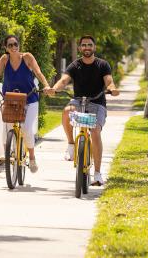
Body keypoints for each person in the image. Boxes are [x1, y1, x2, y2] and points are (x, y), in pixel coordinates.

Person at [48, 35, 120, 185]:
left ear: (94, 47)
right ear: (80, 48)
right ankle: (71, 144)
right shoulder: (75, 65)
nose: (87, 47)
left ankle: (98, 173)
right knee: (67, 110)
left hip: (97, 103)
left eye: (90, 45)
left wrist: (112, 89)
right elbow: (63, 80)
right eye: (84, 45)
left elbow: (109, 81)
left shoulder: (103, 65)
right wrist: (54, 89)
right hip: (78, 101)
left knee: (95, 132)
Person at [0, 35, 51, 173]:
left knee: (27, 129)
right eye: (10, 45)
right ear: (6, 48)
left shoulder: (27, 57)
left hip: (29, 99)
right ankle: (10, 156)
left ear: (19, 45)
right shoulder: (4, 59)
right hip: (11, 99)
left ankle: (32, 158)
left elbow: (38, 72)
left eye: (15, 44)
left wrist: (46, 85)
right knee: (8, 129)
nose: (13, 47)